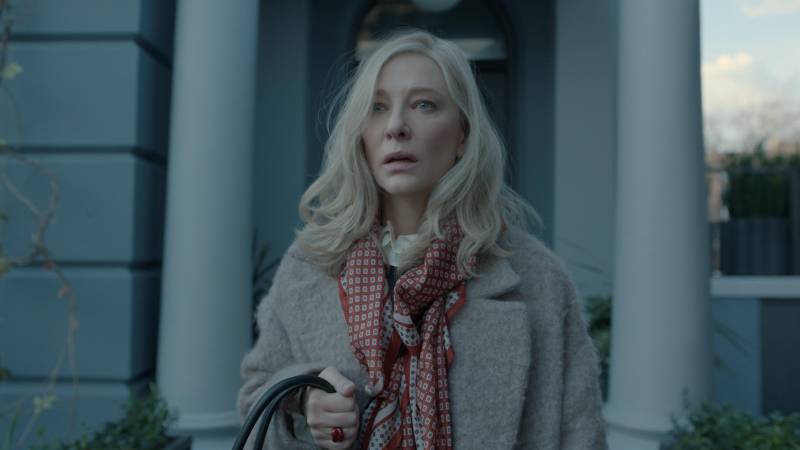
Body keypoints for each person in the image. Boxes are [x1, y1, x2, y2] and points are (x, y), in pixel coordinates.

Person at [237, 28, 606, 449]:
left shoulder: (537, 278)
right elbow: (256, 394)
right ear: (361, 133)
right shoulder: (310, 264)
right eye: (377, 108)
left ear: (463, 136)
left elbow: (580, 436)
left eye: (424, 105)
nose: (395, 126)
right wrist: (303, 403)